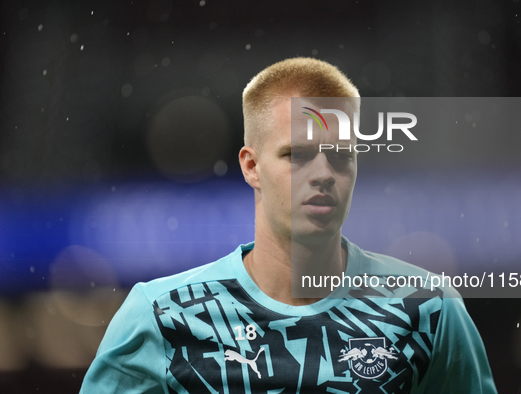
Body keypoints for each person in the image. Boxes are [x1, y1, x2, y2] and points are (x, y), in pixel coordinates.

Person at [80, 57, 497, 393]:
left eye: (341, 156)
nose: (323, 174)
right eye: (297, 154)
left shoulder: (428, 310)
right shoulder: (162, 316)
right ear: (251, 166)